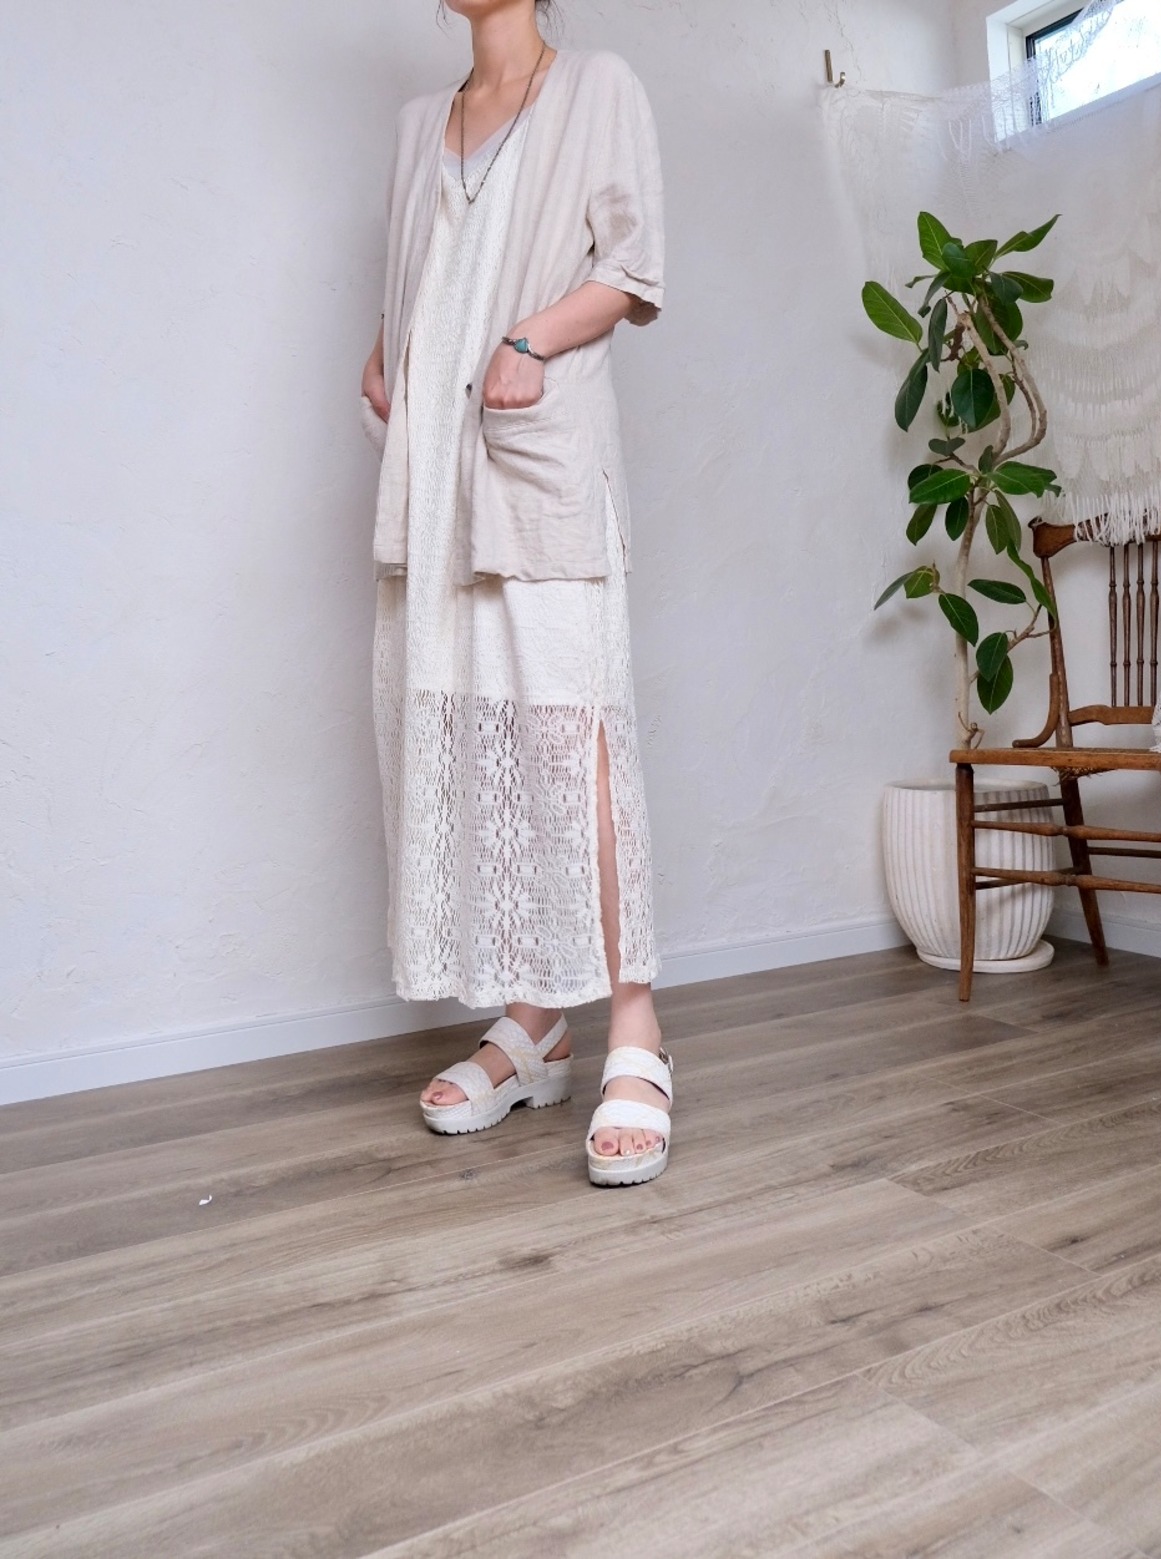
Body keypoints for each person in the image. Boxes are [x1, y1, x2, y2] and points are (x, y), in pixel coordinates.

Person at [360, 0, 672, 1186]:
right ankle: (534, 1019)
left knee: (571, 738)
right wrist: (385, 356)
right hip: (433, 478)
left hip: (533, 462)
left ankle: (634, 1024)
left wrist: (530, 339)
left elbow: (630, 266)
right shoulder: (416, 124)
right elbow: (414, 282)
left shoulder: (597, 86)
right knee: (472, 733)